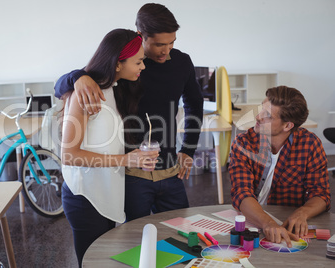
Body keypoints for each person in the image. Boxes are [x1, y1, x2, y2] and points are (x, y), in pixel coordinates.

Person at [55, 3, 204, 222]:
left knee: (181, 234)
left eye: (172, 42)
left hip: (170, 170)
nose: (166, 50)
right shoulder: (127, 66)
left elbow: (194, 104)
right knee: (132, 240)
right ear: (140, 35)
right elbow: (67, 85)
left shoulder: (182, 62)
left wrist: (188, 150)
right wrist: (77, 77)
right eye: (159, 44)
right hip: (131, 173)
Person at [59, 29, 159, 267]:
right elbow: (69, 155)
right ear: (117, 63)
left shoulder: (114, 89)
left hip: (106, 190)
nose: (142, 67)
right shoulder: (85, 94)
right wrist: (126, 160)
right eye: (138, 61)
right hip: (86, 197)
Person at [229, 86, 331, 248]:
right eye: (262, 109)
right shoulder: (243, 143)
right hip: (253, 219)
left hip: (287, 223)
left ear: (287, 126)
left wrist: (302, 213)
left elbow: (320, 194)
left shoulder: (310, 144)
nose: (258, 116)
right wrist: (268, 223)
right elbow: (242, 192)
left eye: (267, 116)